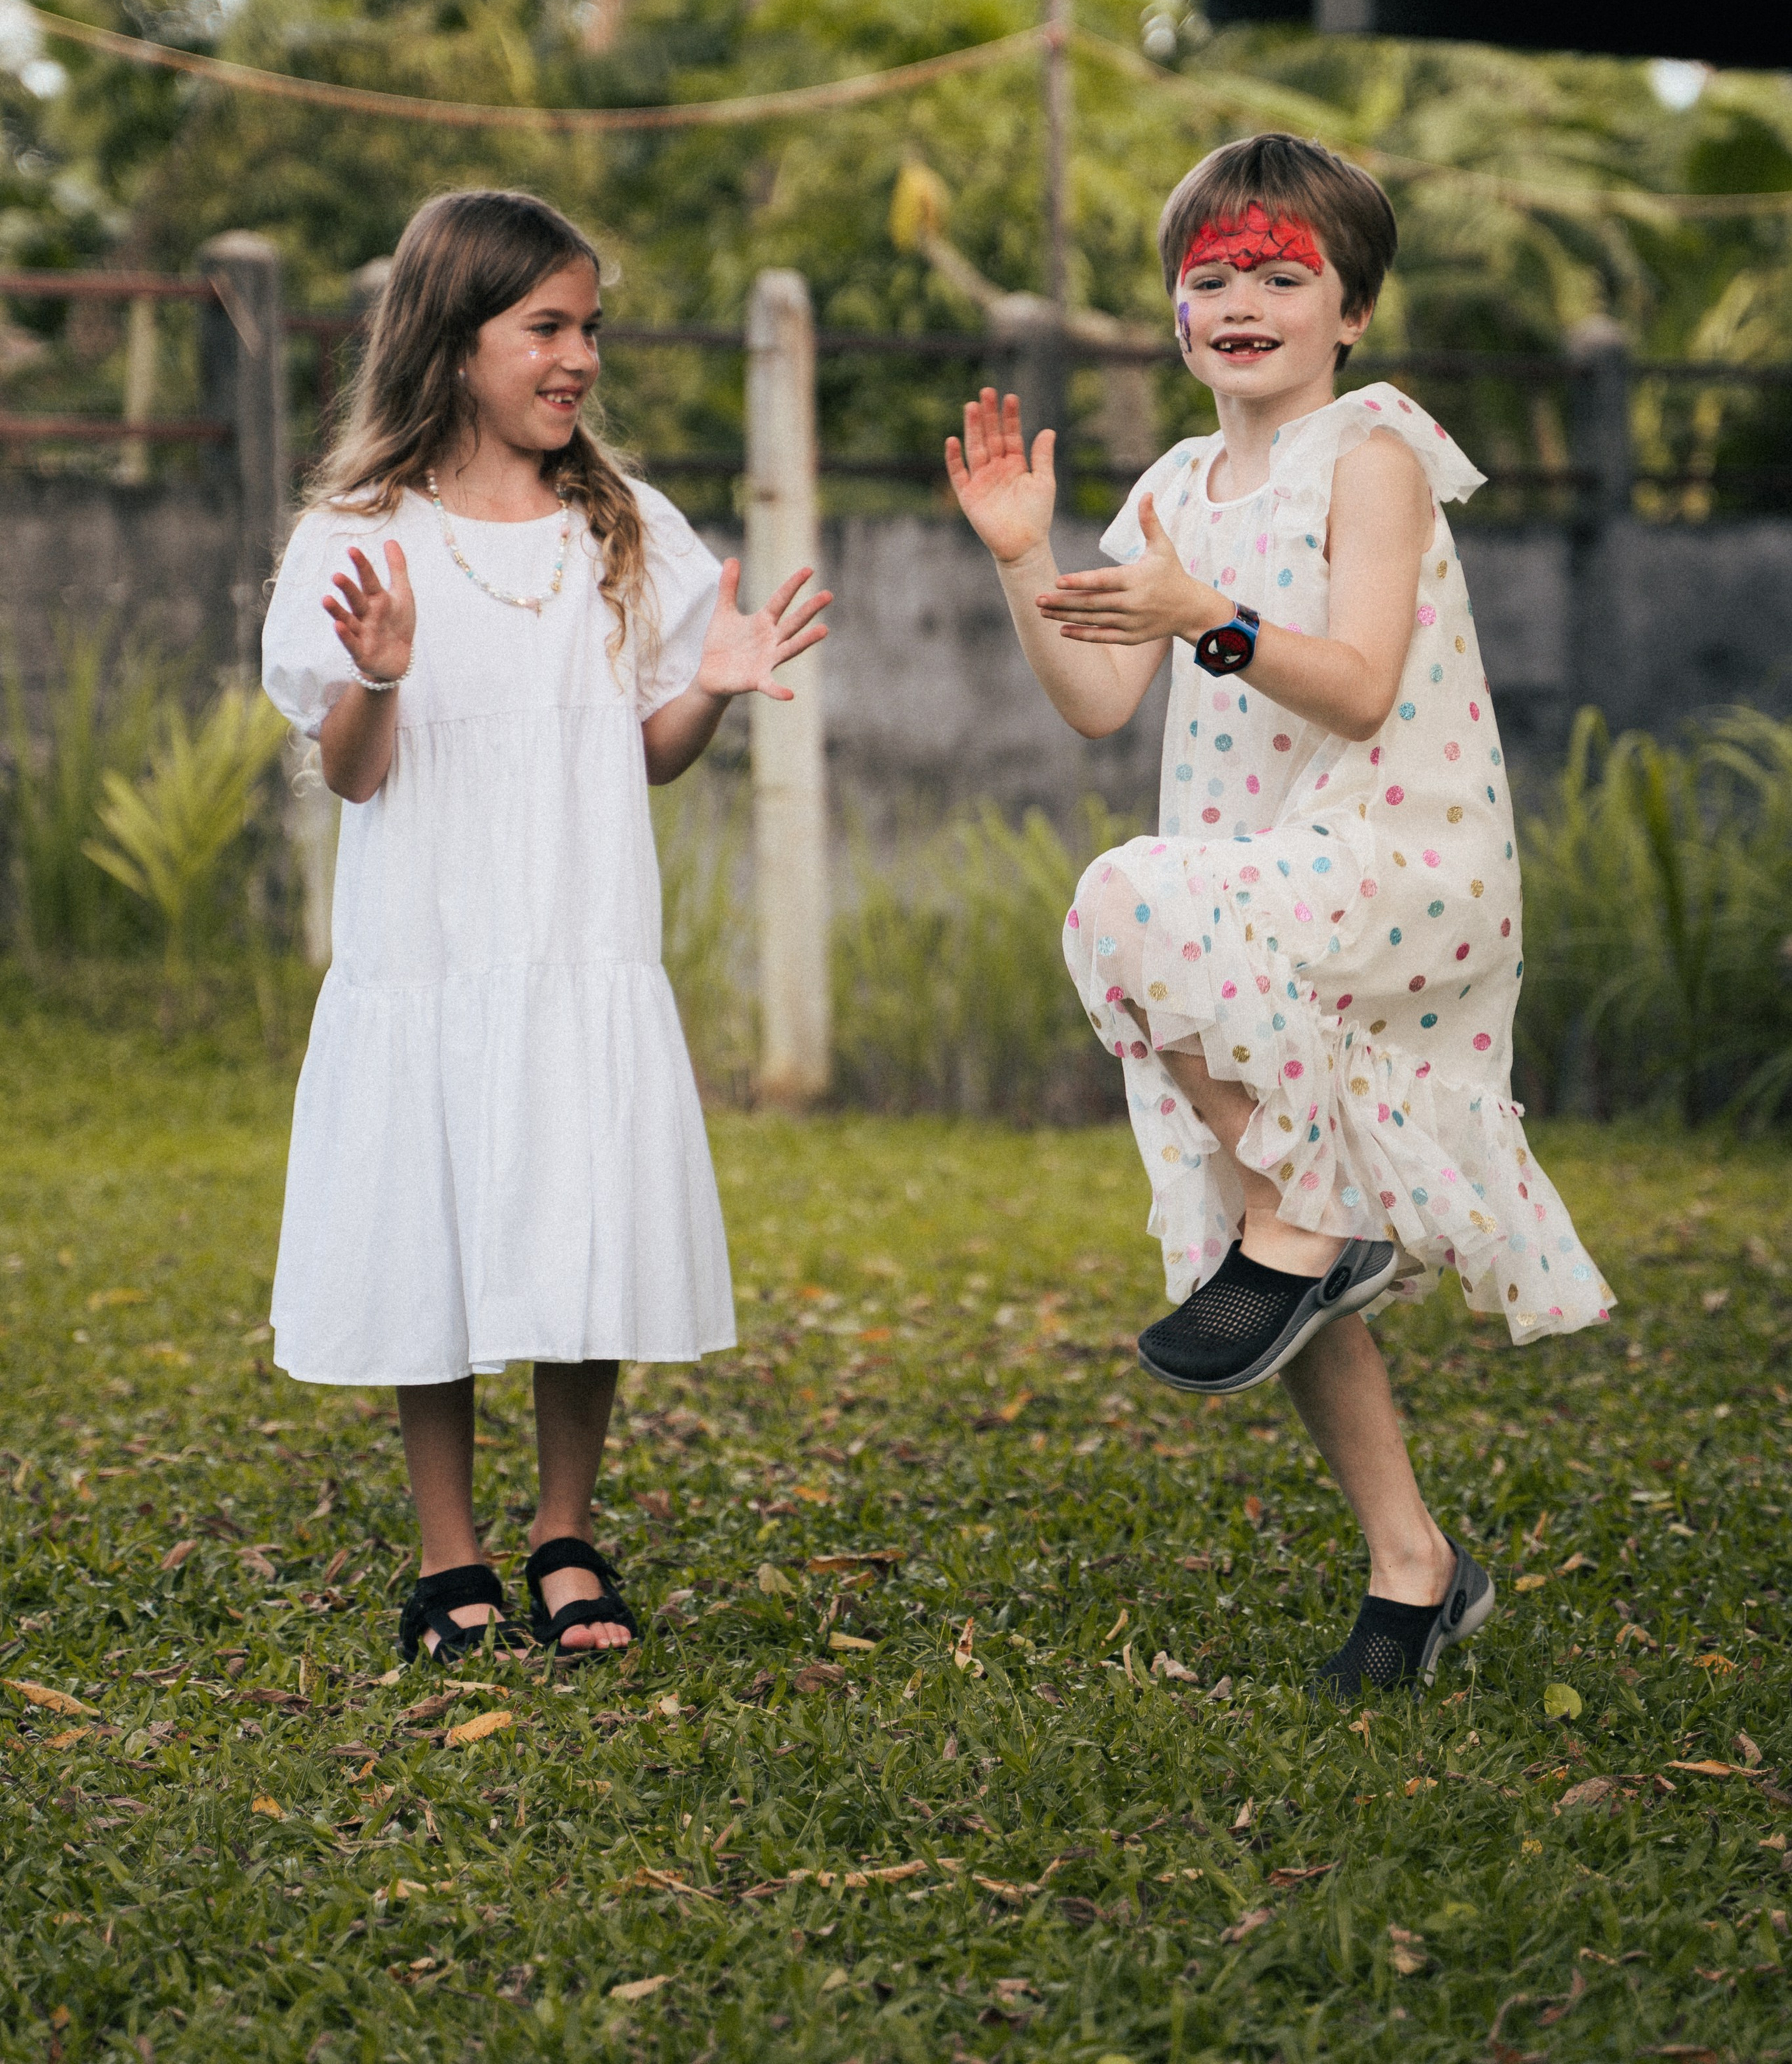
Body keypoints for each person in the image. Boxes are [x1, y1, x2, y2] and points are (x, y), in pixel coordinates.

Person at [946, 133, 1611, 1698]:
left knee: (1125, 906)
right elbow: (1101, 700)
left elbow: (1363, 683)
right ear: (1174, 312)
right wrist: (1023, 556)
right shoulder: (1173, 487)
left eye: (1279, 276)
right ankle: (1412, 1567)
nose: (1238, 300)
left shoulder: (1368, 452)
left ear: (1348, 312)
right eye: (1209, 278)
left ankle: (1313, 1231)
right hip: (1243, 902)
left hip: (1392, 857)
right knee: (1270, 1241)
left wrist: (1213, 620)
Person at [260, 190, 828, 1666]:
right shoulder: (362, 536)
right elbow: (352, 772)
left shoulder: (619, 525)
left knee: (581, 1223)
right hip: (432, 955)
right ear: (453, 344)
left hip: (578, 944)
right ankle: (448, 1555)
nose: (578, 358)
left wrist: (710, 680)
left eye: (590, 329)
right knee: (432, 1242)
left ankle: (562, 1532)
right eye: (546, 329)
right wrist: (376, 674)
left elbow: (647, 746)